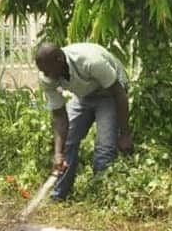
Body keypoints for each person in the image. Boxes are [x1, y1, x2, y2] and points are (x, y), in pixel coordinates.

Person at [35, 42, 133, 201]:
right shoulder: (47, 76)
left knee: (104, 148)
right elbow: (59, 116)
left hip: (110, 92)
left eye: (48, 70)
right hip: (84, 94)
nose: (45, 74)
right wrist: (58, 153)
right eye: (42, 71)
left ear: (60, 60)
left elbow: (119, 94)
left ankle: (102, 198)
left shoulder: (90, 61)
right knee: (66, 143)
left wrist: (125, 134)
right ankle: (59, 196)